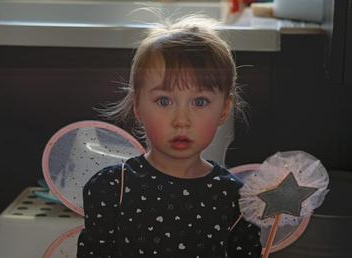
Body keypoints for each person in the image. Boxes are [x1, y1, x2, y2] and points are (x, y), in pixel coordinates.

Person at [77, 14, 262, 258]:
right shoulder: (111, 188)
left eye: (200, 101)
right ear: (137, 106)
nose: (181, 120)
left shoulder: (235, 199)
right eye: (164, 101)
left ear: (224, 110)